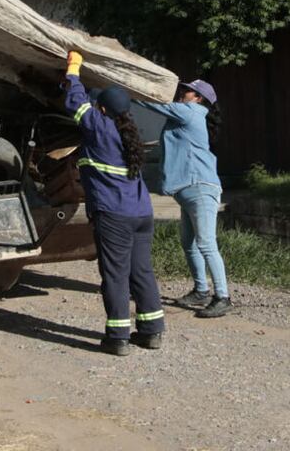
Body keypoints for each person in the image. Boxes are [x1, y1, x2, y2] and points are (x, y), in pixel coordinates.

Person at [64, 51, 165, 356]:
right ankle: (151, 331)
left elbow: (75, 102)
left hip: (114, 215)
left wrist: (73, 69)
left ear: (103, 109)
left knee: (115, 275)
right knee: (141, 272)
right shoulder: (129, 132)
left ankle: (118, 337)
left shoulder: (99, 126)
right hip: (141, 213)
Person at [135, 79, 232, 318]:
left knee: (206, 243)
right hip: (189, 190)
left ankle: (223, 297)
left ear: (198, 98)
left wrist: (129, 90)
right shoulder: (189, 113)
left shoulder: (191, 111)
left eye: (187, 91)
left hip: (199, 188)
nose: (182, 93)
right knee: (189, 243)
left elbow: (153, 104)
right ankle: (201, 290)